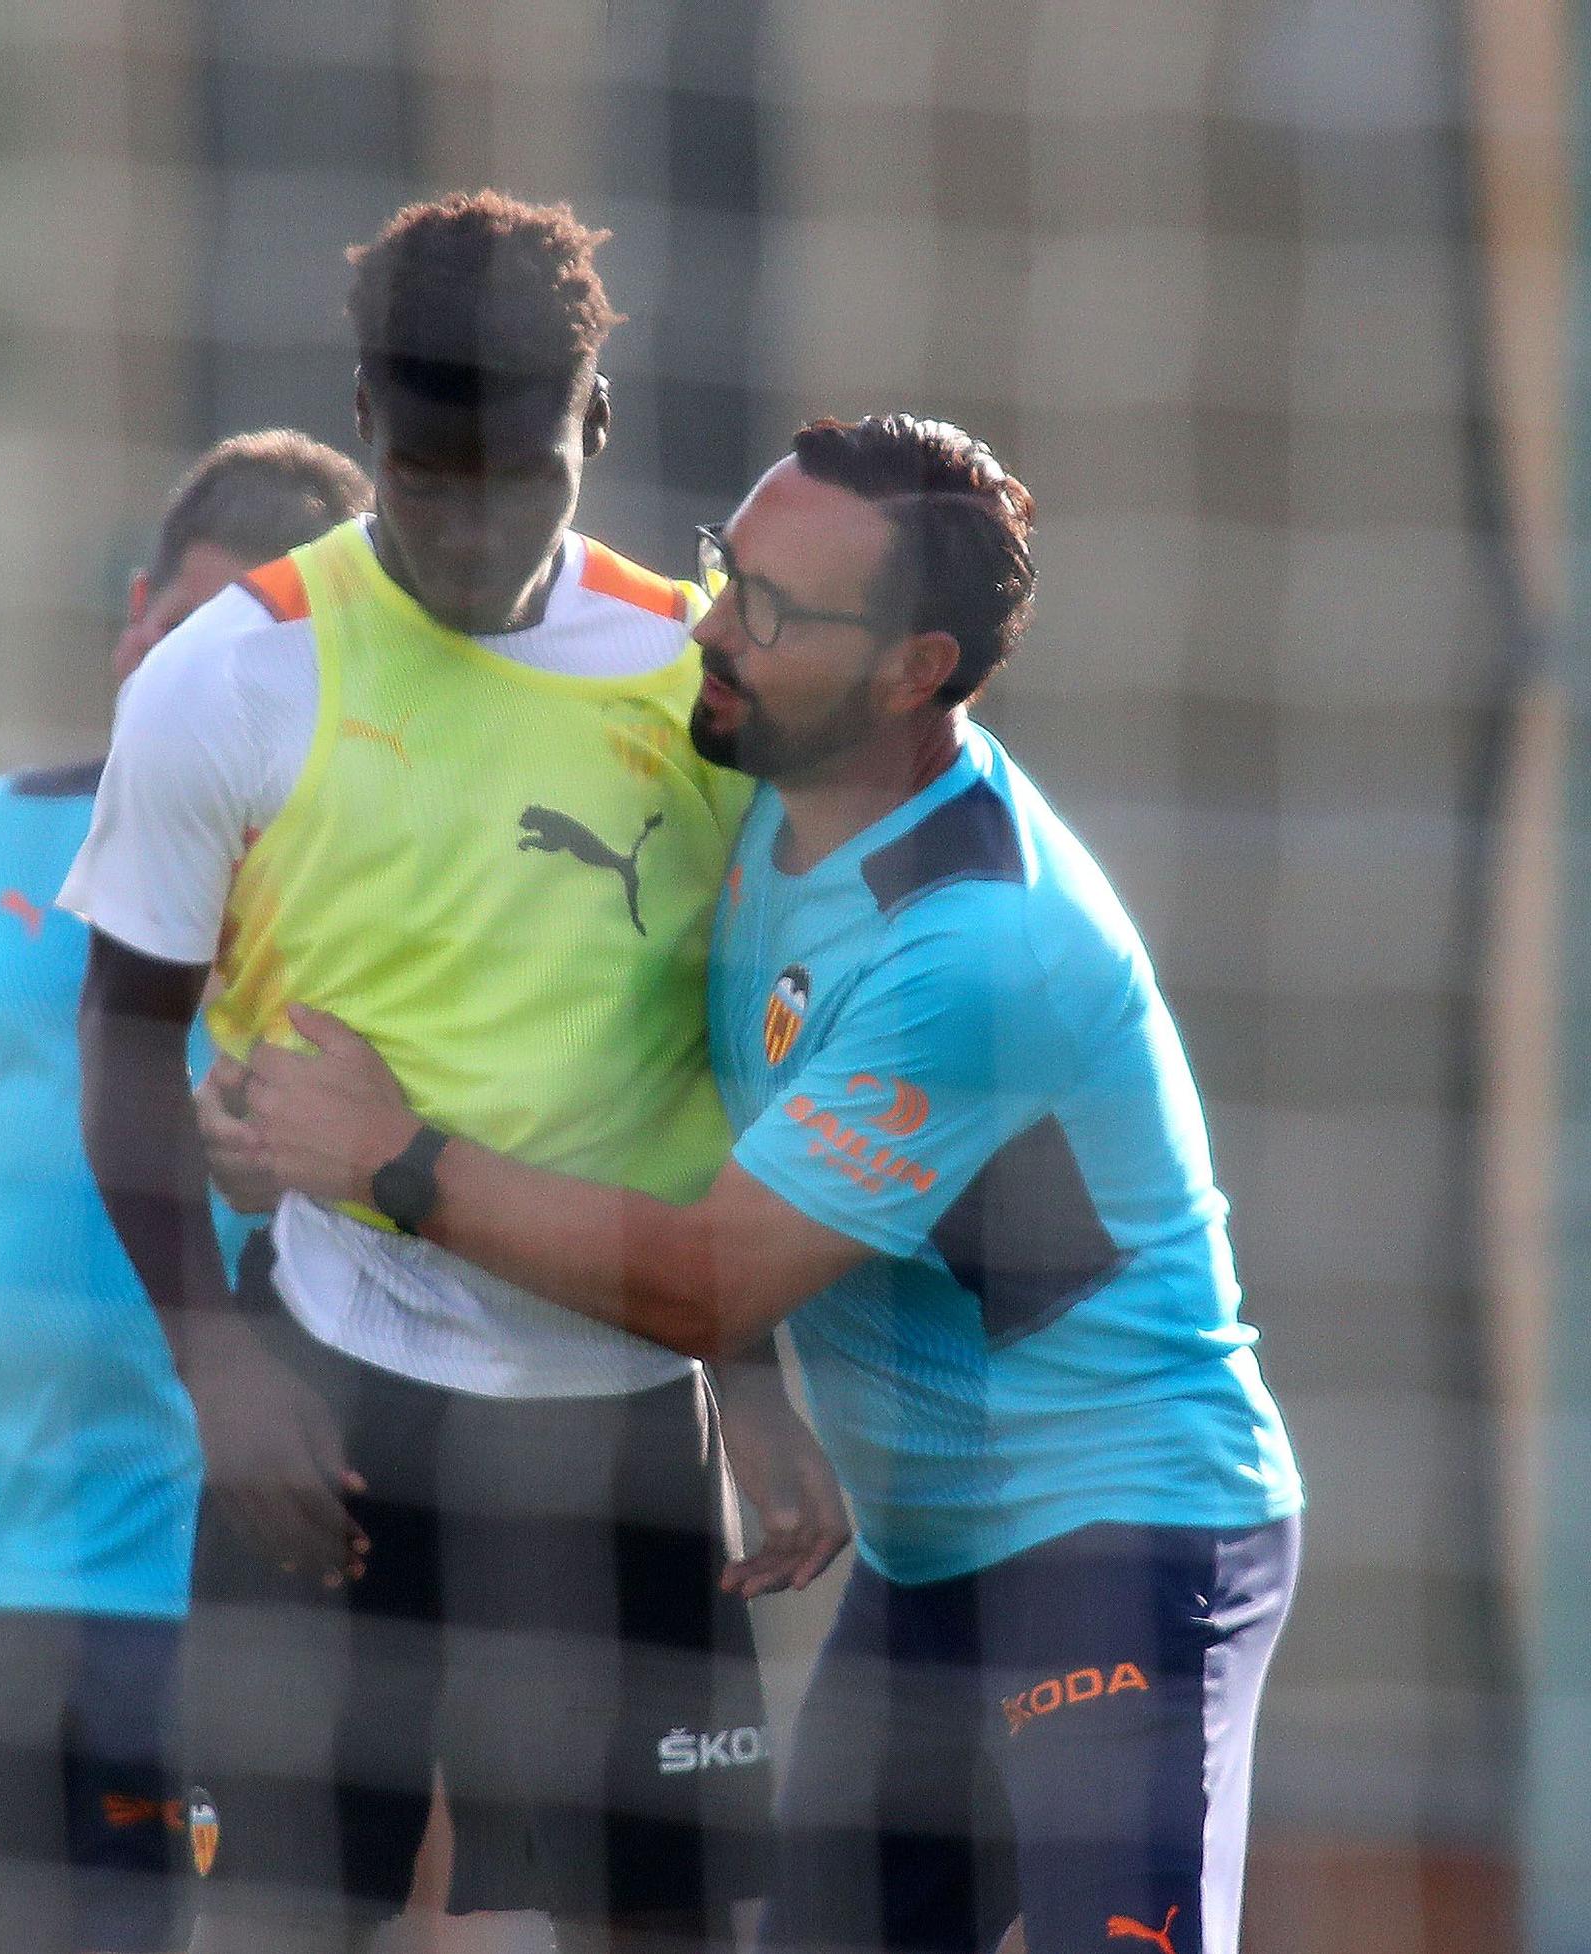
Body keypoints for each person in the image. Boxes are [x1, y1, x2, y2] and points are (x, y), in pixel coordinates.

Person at [216, 414, 1307, 1954]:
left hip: (1121, 1544)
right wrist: (749, 1388)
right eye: (731, 565)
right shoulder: (750, 796)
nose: (714, 624)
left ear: (915, 670)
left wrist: (389, 1156)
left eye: (776, 611)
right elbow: (680, 1119)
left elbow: (713, 1266)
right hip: (930, 1566)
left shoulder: (974, 947)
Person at [63, 191, 847, 1954]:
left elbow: (725, 1051)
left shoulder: (704, 675)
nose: (473, 532)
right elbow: (116, 1042)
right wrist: (215, 1365)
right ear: (362, 429)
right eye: (428, 483)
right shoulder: (225, 679)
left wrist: (762, 1382)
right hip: (331, 1415)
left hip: (625, 1442)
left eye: (518, 481)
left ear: (599, 429)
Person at [0, 430, 373, 1954]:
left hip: (217, 1594)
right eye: (171, 636)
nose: (186, 687)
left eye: (239, 661)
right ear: (130, 615)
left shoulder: (360, 889)